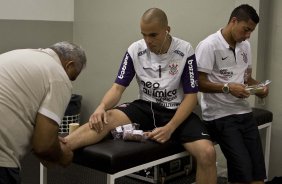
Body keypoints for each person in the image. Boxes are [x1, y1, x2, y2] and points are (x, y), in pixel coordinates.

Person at [65, 8, 217, 184]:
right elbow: (117, 88)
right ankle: (62, 145)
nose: (147, 41)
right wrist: (101, 107)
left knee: (207, 153)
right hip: (146, 107)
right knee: (107, 117)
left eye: (153, 35)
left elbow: (191, 97)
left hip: (175, 111)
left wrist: (170, 127)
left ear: (168, 29)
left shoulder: (184, 50)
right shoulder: (135, 50)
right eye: (144, 34)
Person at [195, 4, 268, 184]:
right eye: (246, 30)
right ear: (234, 21)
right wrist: (228, 87)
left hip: (244, 112)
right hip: (220, 116)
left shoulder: (245, 46)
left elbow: (246, 78)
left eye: (251, 31)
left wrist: (260, 88)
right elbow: (198, 82)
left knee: (258, 171)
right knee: (243, 171)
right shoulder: (208, 45)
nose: (248, 35)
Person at [0, 41, 87, 184]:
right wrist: (62, 154)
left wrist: (51, 140)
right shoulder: (58, 75)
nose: (70, 82)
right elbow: (43, 145)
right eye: (72, 77)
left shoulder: (23, 55)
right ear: (69, 65)